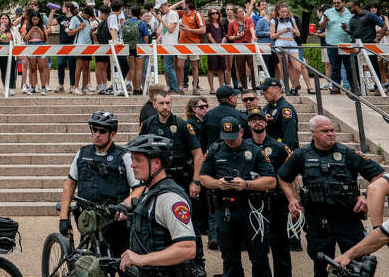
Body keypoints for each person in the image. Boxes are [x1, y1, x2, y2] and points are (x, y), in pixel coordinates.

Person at [277, 115, 386, 277]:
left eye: (332, 130)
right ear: (312, 133)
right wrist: (292, 199)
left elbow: (380, 176)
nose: (330, 134)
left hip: (348, 219)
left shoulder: (347, 153)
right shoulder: (301, 155)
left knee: (357, 265)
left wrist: (365, 196)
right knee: (321, 266)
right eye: (324, 131)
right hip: (318, 221)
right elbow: (283, 177)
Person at [58, 111, 141, 258]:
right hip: (87, 217)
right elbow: (70, 184)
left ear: (113, 133)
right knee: (89, 263)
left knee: (120, 261)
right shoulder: (82, 154)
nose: (97, 134)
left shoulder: (124, 156)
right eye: (94, 129)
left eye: (102, 131)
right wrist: (63, 218)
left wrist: (125, 205)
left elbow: (139, 187)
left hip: (114, 220)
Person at [198, 119, 275, 277]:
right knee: (230, 258)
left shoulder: (254, 151)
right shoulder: (214, 150)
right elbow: (203, 178)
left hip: (250, 209)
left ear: (241, 132)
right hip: (225, 210)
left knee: (259, 257)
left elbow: (271, 181)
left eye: (233, 137)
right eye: (226, 137)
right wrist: (217, 183)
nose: (230, 141)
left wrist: (247, 184)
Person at [118, 135, 197, 276]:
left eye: (138, 160)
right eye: (132, 159)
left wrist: (141, 259)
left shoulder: (170, 198)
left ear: (156, 163)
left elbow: (188, 248)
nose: (132, 165)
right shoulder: (149, 190)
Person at [246, 108, 293, 275]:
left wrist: (293, 200)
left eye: (260, 119)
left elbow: (290, 175)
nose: (257, 122)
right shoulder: (245, 146)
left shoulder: (279, 147)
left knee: (280, 246)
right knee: (257, 247)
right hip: (254, 203)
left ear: (266, 122)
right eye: (253, 119)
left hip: (276, 202)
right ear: (249, 123)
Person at [200, 85, 248, 151]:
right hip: (235, 154)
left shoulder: (208, 115)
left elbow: (202, 139)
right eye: (235, 96)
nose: (236, 99)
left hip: (213, 154)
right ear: (231, 98)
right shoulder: (239, 115)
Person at [257, 77, 299, 150]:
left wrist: (285, 154)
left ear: (276, 89)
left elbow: (289, 137)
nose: (263, 93)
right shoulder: (267, 108)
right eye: (262, 90)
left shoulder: (286, 109)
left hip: (281, 151)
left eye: (265, 89)